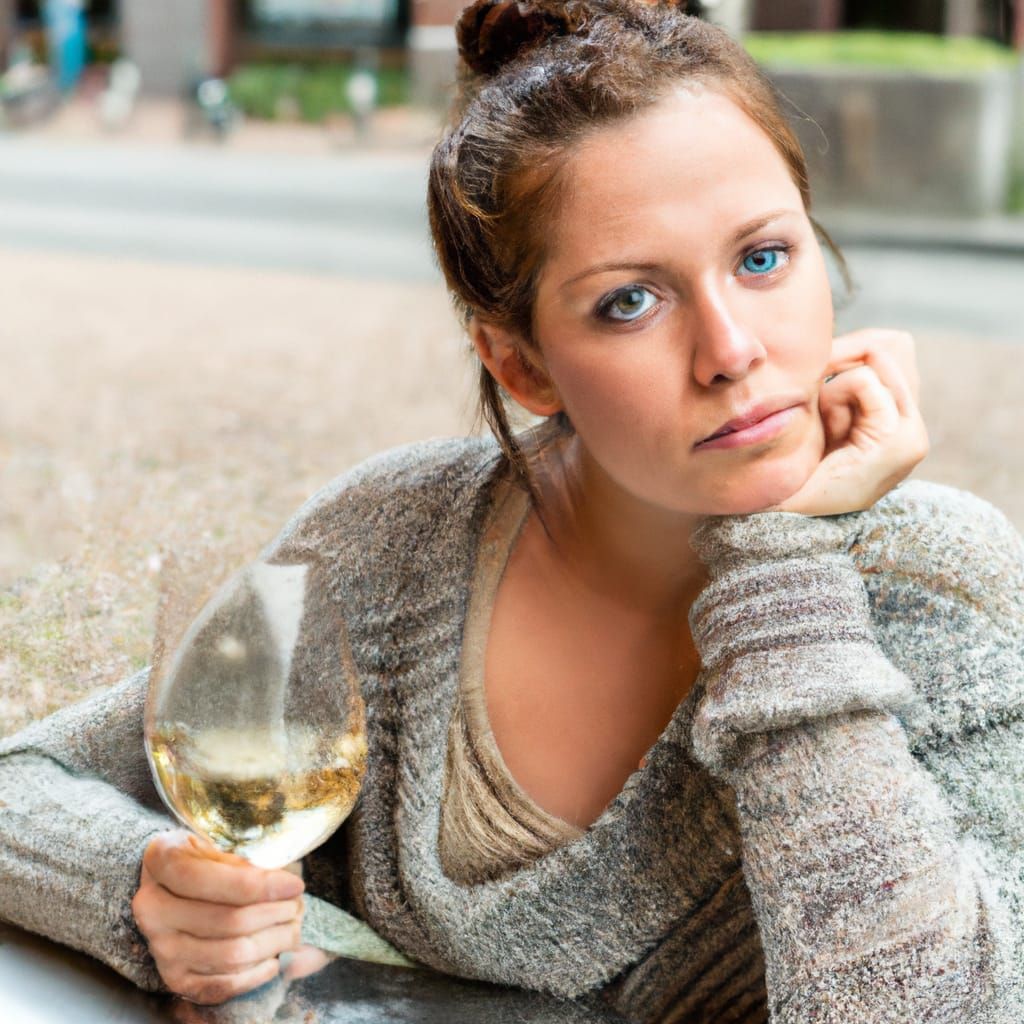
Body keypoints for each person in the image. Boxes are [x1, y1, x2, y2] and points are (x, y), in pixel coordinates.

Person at [1, 0, 1022, 1020]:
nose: (732, 352)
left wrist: (781, 558)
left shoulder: (937, 581)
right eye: (631, 300)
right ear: (522, 363)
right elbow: (23, 784)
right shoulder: (394, 545)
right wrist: (138, 883)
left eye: (763, 258)